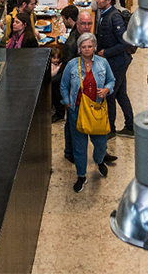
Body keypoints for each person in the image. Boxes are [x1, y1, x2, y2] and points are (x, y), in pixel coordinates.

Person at [60, 32, 115, 193]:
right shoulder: (71, 65)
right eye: (84, 47)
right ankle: (81, 175)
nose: (87, 49)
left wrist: (106, 89)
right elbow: (63, 86)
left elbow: (112, 80)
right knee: (79, 146)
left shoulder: (103, 63)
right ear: (79, 48)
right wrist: (68, 102)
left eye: (90, 46)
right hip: (77, 112)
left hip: (97, 111)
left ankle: (99, 161)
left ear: (95, 47)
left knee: (100, 143)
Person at [95, 0, 134, 138]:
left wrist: (106, 52)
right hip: (115, 62)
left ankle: (110, 129)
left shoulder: (114, 17)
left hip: (117, 62)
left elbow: (125, 42)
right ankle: (130, 125)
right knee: (121, 94)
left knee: (110, 94)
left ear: (108, 0)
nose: (96, 0)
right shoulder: (104, 13)